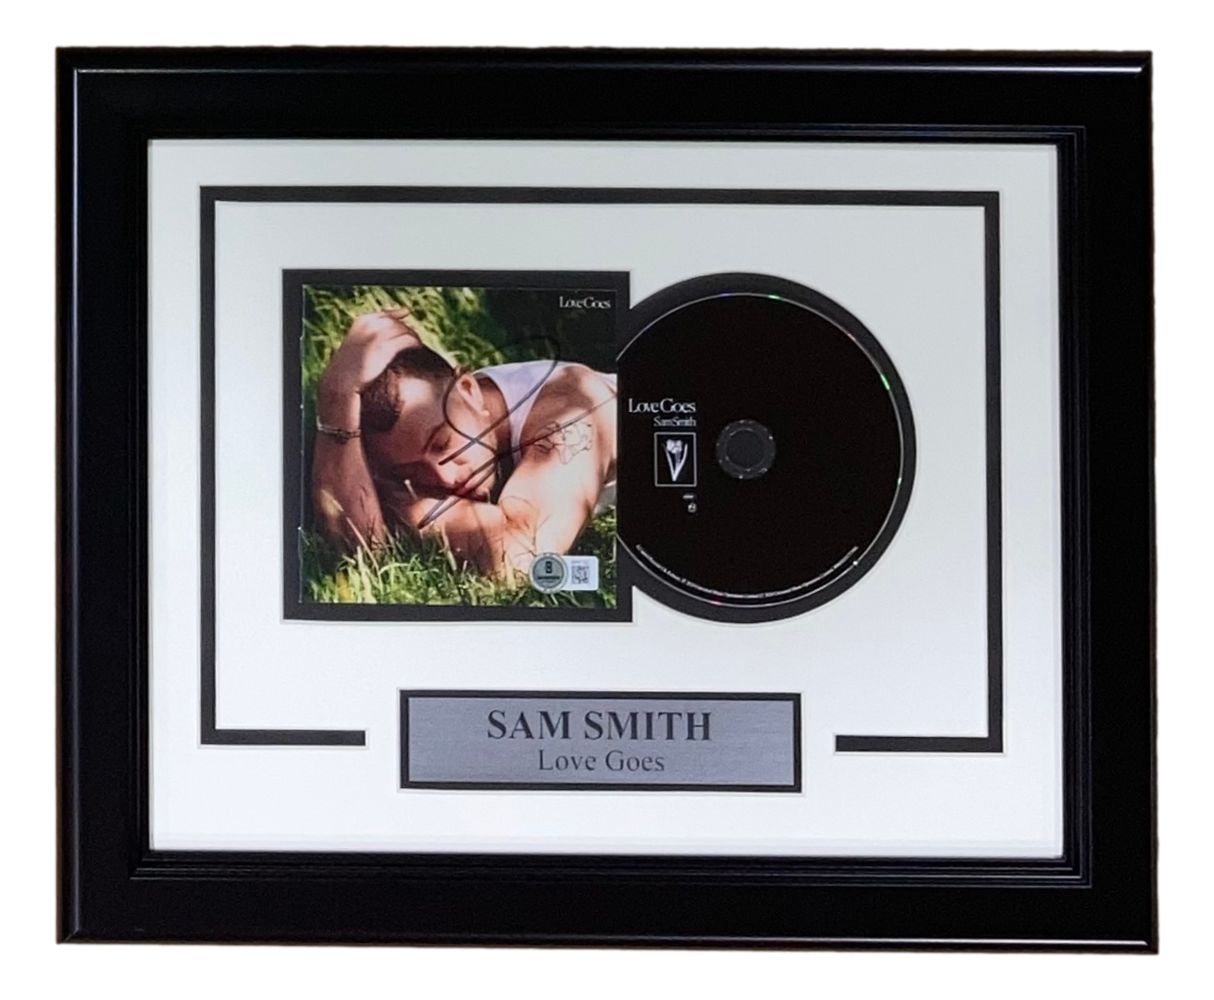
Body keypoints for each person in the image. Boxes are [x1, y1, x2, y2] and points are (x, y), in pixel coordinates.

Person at [311, 307, 617, 582]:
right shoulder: (429, 422)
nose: (445, 479)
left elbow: (522, 557)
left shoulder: (572, 406)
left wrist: (401, 506)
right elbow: (360, 552)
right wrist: (338, 398)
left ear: (469, 390)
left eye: (442, 443)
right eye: (411, 473)